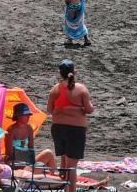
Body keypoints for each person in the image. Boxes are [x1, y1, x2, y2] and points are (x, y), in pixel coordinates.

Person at [47, 59, 94, 192]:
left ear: (60, 73)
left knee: (65, 163)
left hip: (57, 128)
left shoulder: (54, 89)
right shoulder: (81, 89)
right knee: (72, 166)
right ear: (74, 72)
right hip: (75, 130)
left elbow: (50, 110)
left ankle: (66, 189)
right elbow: (89, 109)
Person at [4, 103, 56, 171]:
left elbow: (31, 148)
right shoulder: (11, 130)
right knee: (25, 165)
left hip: (26, 161)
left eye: (28, 114)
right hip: (15, 161)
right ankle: (36, 172)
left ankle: (50, 176)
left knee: (48, 153)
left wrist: (30, 161)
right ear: (18, 116)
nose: (28, 117)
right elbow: (9, 153)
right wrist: (25, 161)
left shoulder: (29, 128)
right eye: (26, 115)